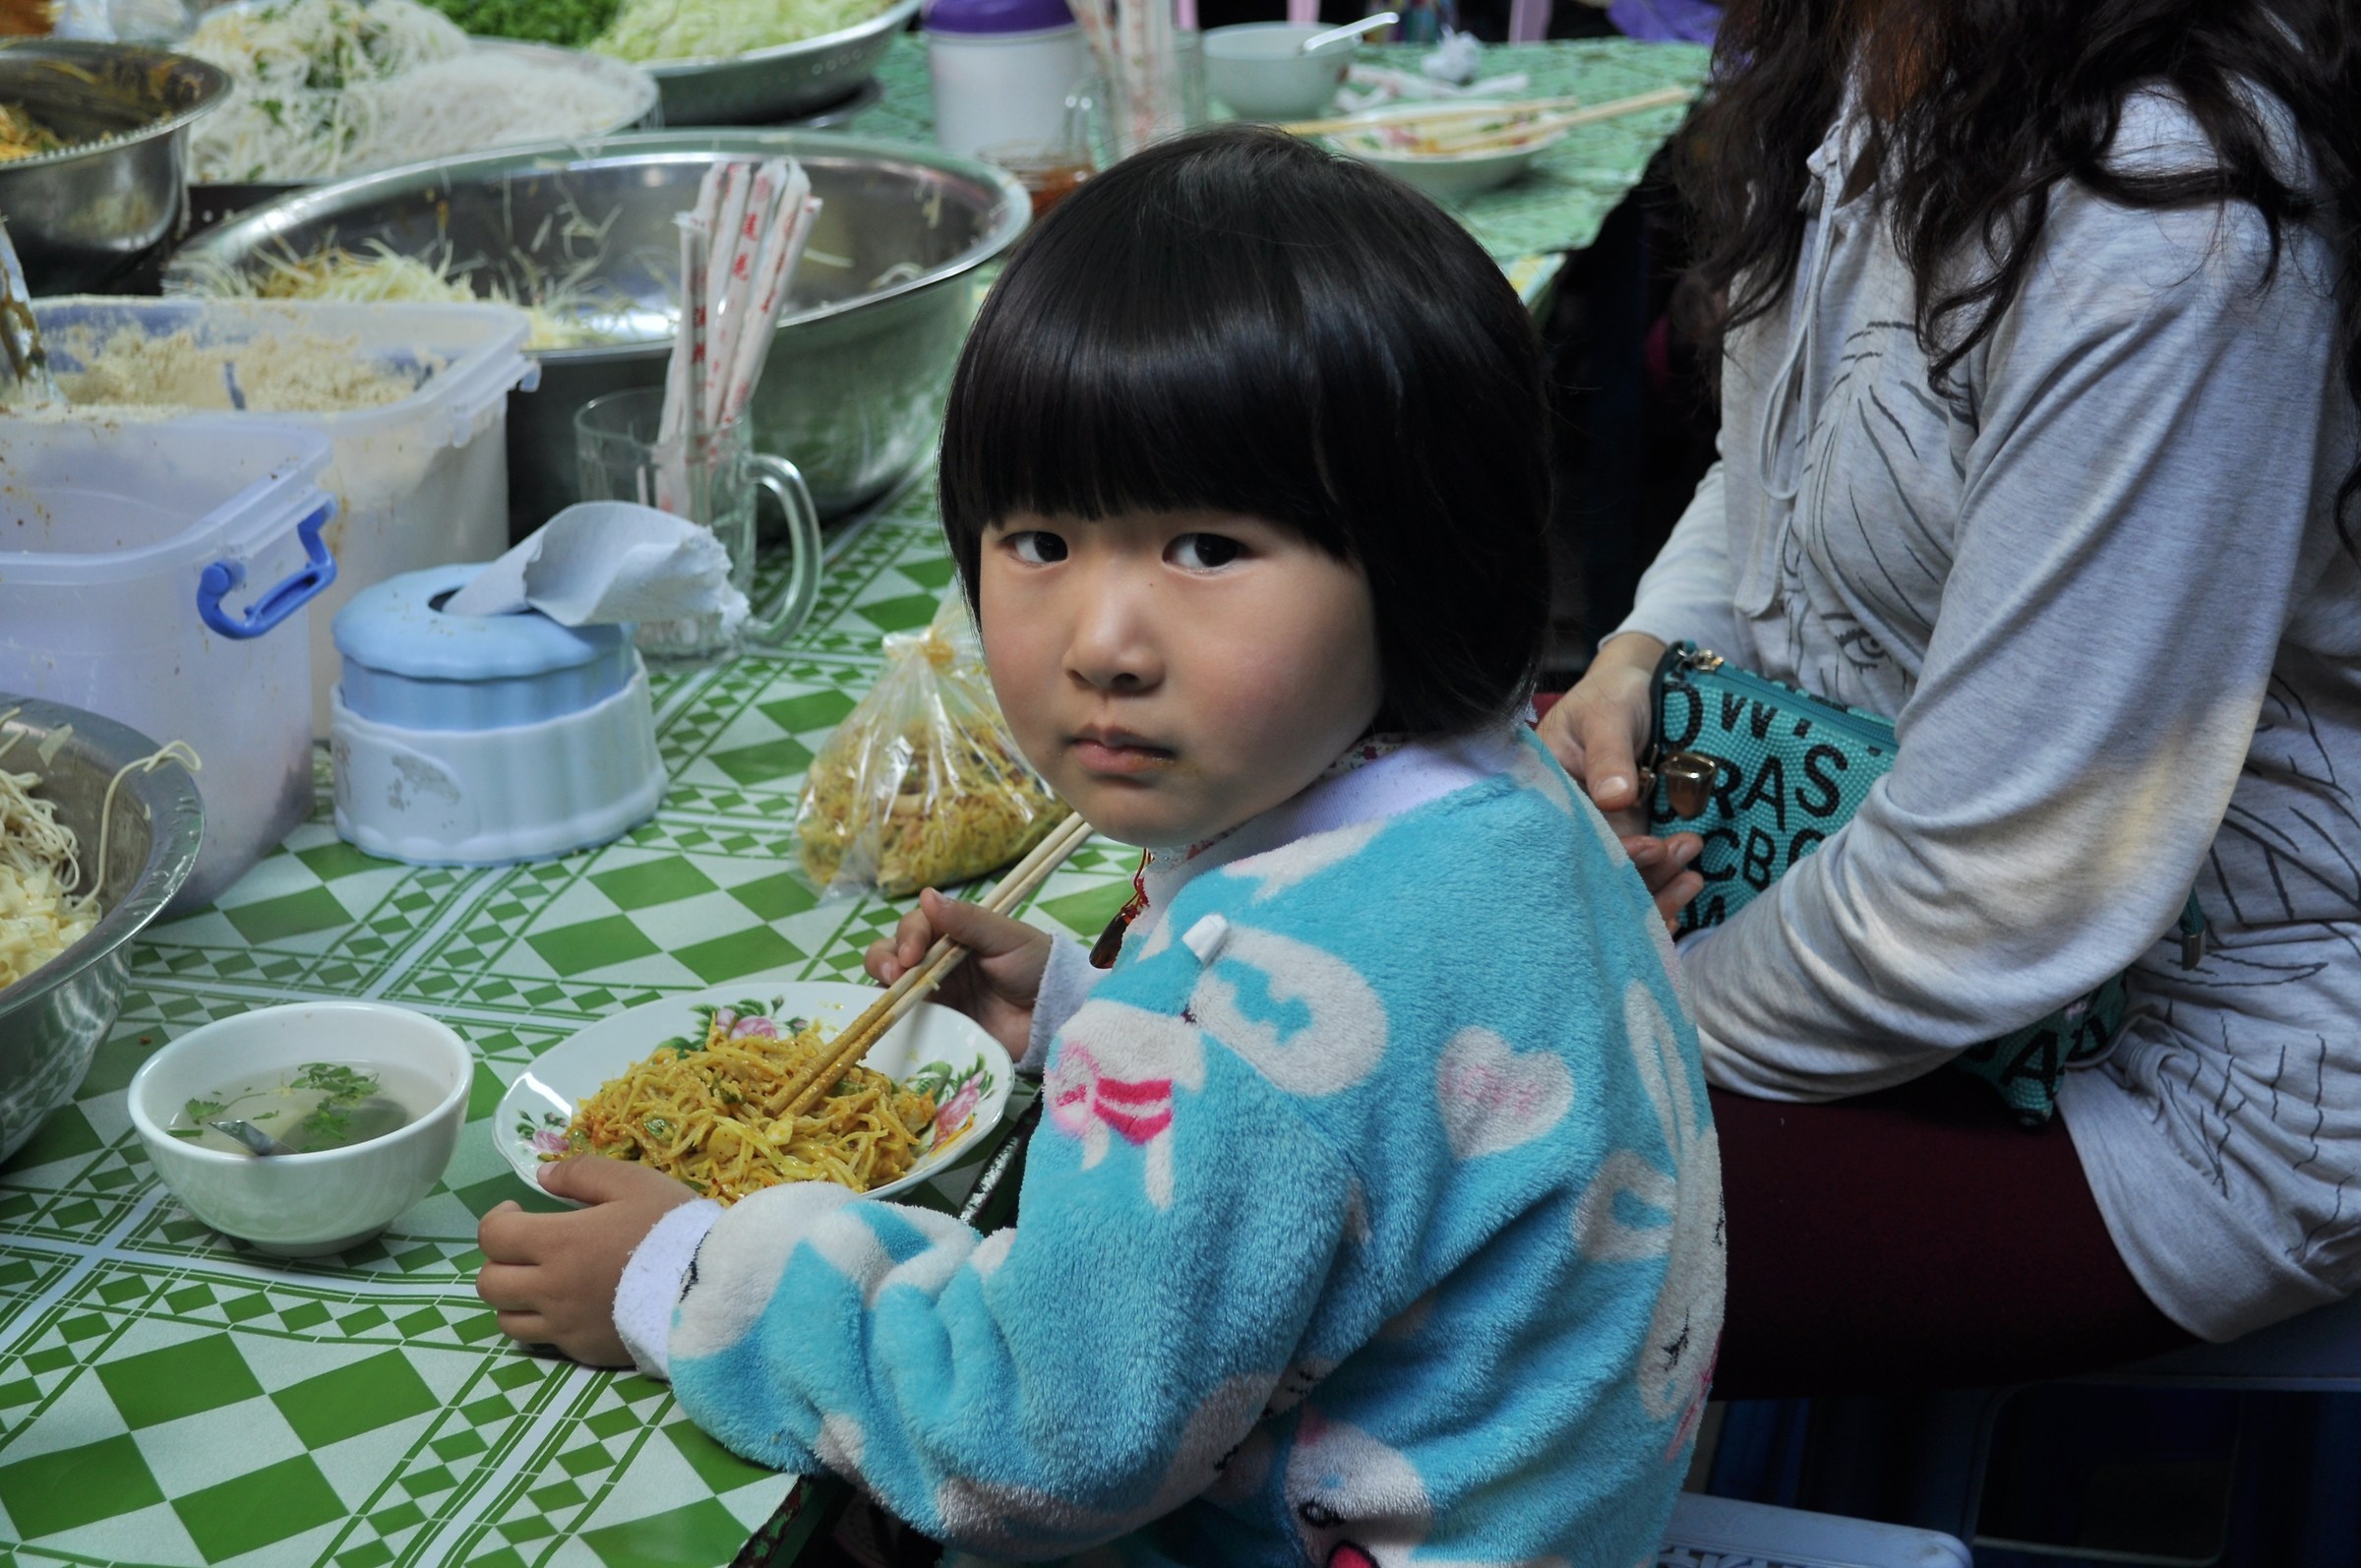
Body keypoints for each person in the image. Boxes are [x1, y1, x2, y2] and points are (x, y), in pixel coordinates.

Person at [476, 127, 1725, 1566]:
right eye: (1040, 539)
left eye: (1205, 548)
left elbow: (1035, 1439)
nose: (1103, 644)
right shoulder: (1509, 791)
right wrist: (1081, 1015)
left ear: (1420, 548)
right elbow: (1373, 1116)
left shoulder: (1222, 1043)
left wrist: (689, 1270)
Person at [1542, 0, 2361, 1398]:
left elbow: (1998, 890)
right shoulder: (1871, 57)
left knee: (1402, 1207)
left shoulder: (2167, 210)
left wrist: (1591, 1012)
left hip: (2202, 1066)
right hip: (1908, 929)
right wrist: (1640, 657)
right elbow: (1773, 466)